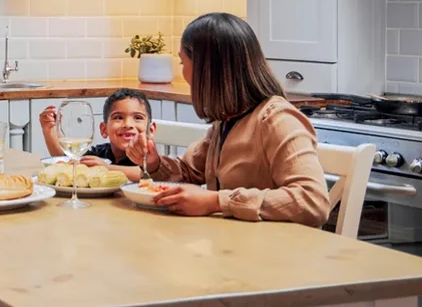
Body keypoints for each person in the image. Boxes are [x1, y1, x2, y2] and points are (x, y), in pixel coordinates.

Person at [126, 12, 330, 228]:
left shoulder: (277, 120)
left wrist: (216, 201)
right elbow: (190, 171)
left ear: (207, 70)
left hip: (275, 253)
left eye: (182, 62)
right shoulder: (226, 121)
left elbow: (312, 201)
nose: (183, 73)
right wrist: (155, 163)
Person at [39, 88, 156, 182]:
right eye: (118, 117)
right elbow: (68, 159)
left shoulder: (149, 157)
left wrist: (108, 168)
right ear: (104, 129)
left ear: (151, 130)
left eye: (138, 118)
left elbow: (147, 174)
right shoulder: (102, 153)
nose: (128, 124)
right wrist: (48, 130)